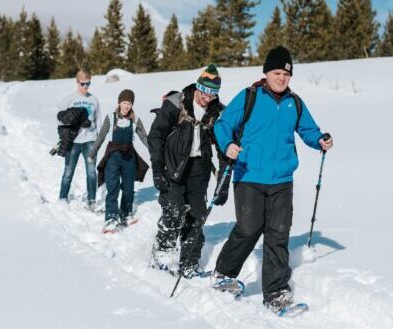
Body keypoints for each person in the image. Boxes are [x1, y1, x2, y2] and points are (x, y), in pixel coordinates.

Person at [211, 46, 334, 312]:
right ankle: (224, 273)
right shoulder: (249, 97)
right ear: (266, 72)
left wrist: (320, 140)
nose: (281, 78)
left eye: (286, 74)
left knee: (278, 234)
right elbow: (222, 125)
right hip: (248, 176)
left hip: (281, 179)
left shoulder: (295, 103)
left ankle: (276, 292)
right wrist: (228, 144)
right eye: (276, 72)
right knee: (249, 228)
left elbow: (309, 130)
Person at [148, 64, 228, 278]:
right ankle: (162, 255)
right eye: (204, 92)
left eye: (212, 95)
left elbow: (225, 148)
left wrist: (223, 183)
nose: (206, 98)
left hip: (199, 168)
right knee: (173, 211)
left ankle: (189, 262)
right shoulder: (176, 102)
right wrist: (157, 168)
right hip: (173, 165)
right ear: (197, 87)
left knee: (197, 215)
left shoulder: (218, 112)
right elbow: (156, 135)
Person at [88, 90, 149, 232]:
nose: (126, 106)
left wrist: (155, 151)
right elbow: (101, 136)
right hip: (113, 157)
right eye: (124, 102)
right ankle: (111, 217)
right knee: (113, 188)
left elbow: (145, 138)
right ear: (119, 102)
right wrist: (93, 152)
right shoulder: (111, 117)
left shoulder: (135, 119)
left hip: (129, 157)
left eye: (129, 103)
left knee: (128, 189)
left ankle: (125, 214)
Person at [56, 70, 101, 209]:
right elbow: (60, 118)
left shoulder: (94, 99)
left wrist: (98, 141)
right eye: (83, 84)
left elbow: (98, 119)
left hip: (90, 140)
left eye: (88, 83)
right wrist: (71, 125)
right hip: (74, 142)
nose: (86, 86)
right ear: (77, 82)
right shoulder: (69, 99)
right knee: (68, 171)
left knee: (91, 172)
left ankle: (91, 200)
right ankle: (62, 198)